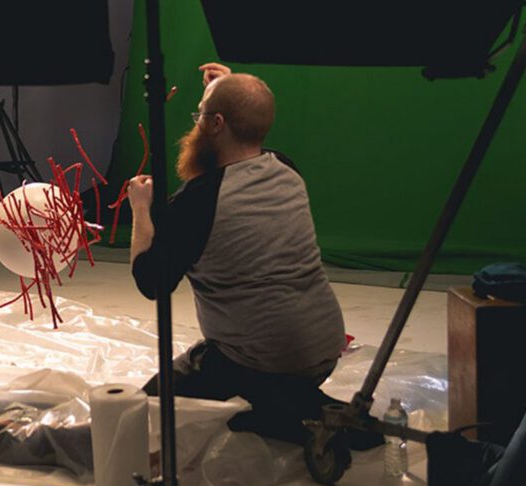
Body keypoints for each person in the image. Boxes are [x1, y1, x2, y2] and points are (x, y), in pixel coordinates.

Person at [128, 63, 376, 446]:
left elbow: (150, 282)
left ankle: (284, 412)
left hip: (259, 362)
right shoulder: (286, 169)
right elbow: (243, 129)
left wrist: (140, 209)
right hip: (324, 349)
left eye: (200, 116)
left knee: (147, 406)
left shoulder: (199, 201)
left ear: (216, 124)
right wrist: (229, 91)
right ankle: (292, 403)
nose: (196, 125)